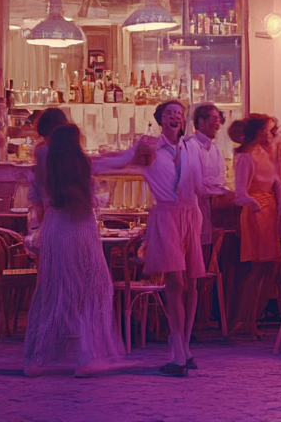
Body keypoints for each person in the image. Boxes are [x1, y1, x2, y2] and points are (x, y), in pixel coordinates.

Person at [22, 122, 135, 377]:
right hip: (80, 229)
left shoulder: (45, 167)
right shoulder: (82, 165)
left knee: (53, 292)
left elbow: (37, 196)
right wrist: (137, 149)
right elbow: (118, 163)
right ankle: (89, 355)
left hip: (54, 229)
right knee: (94, 290)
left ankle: (37, 358)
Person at [132, 100, 206, 377]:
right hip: (166, 216)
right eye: (169, 113)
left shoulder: (190, 147)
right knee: (175, 281)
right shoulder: (150, 146)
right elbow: (125, 163)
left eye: (179, 113)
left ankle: (184, 346)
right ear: (160, 119)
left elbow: (200, 183)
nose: (175, 117)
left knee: (191, 283)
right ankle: (177, 348)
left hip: (191, 215)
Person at [230, 114, 281, 339]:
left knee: (271, 267)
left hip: (269, 210)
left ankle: (254, 317)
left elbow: (278, 184)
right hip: (256, 212)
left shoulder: (266, 154)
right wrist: (255, 204)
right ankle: (245, 321)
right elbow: (239, 195)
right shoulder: (245, 157)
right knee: (258, 267)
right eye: (270, 130)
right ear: (258, 131)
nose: (273, 134)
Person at [186, 104, 230, 262]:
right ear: (201, 121)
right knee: (194, 254)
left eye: (218, 120)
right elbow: (197, 185)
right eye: (213, 119)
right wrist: (219, 190)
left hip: (210, 210)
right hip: (193, 209)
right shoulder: (191, 146)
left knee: (206, 254)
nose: (217, 124)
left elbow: (220, 179)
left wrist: (222, 190)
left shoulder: (215, 148)